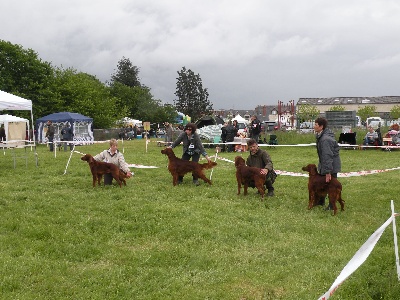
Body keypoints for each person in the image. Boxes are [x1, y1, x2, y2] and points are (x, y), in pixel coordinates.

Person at [314, 117, 341, 210]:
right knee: (322, 184)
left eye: (316, 125)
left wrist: (328, 171)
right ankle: (320, 201)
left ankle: (332, 205)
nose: (314, 126)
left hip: (331, 166)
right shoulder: (321, 136)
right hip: (325, 164)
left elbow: (327, 156)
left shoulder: (325, 139)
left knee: (331, 186)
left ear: (321, 127)